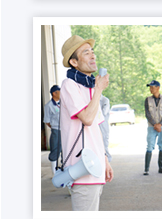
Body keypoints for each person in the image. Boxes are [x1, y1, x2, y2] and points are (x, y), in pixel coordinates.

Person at [59, 35, 113, 211]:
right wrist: (98, 89)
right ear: (74, 62)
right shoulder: (69, 85)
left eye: (92, 52)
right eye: (86, 52)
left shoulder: (89, 87)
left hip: (95, 168)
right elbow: (87, 119)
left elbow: (96, 129)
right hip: (82, 168)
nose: (93, 56)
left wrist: (105, 159)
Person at [144, 80, 162, 175]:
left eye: (152, 87)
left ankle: (161, 168)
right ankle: (146, 169)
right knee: (150, 145)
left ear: (158, 88)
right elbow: (147, 114)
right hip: (152, 126)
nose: (151, 89)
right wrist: (155, 124)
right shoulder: (147, 99)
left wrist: (160, 124)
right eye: (150, 87)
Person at [44, 85, 62, 175]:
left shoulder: (64, 102)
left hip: (65, 130)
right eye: (59, 91)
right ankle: (55, 173)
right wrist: (54, 127)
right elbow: (47, 121)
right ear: (54, 93)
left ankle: (64, 170)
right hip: (56, 130)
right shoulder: (49, 106)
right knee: (55, 150)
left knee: (65, 149)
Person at [100, 95, 112, 163]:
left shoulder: (105, 100)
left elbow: (103, 113)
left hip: (103, 128)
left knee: (104, 147)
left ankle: (107, 163)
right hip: (94, 128)